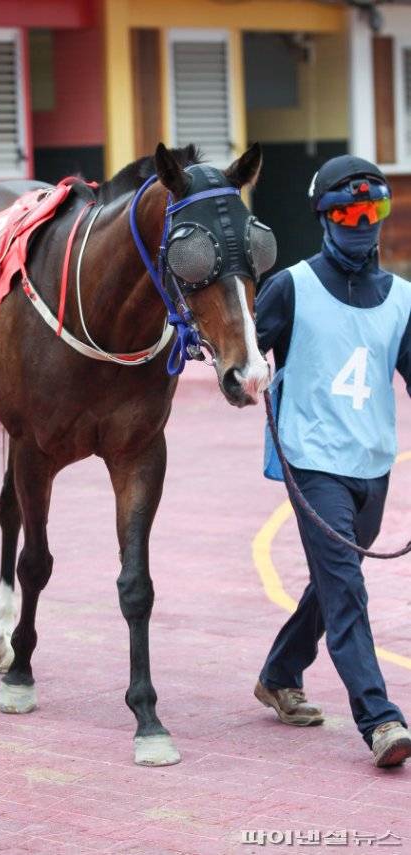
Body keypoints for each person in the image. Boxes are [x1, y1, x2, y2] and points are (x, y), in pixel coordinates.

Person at [254, 155, 411, 768]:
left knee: (331, 581)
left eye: (371, 209)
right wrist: (235, 375)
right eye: (346, 211)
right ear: (323, 215)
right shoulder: (290, 286)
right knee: (347, 589)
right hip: (312, 462)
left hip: (374, 466)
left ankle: (279, 671)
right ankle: (380, 718)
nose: (360, 221)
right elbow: (240, 356)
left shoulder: (402, 299)